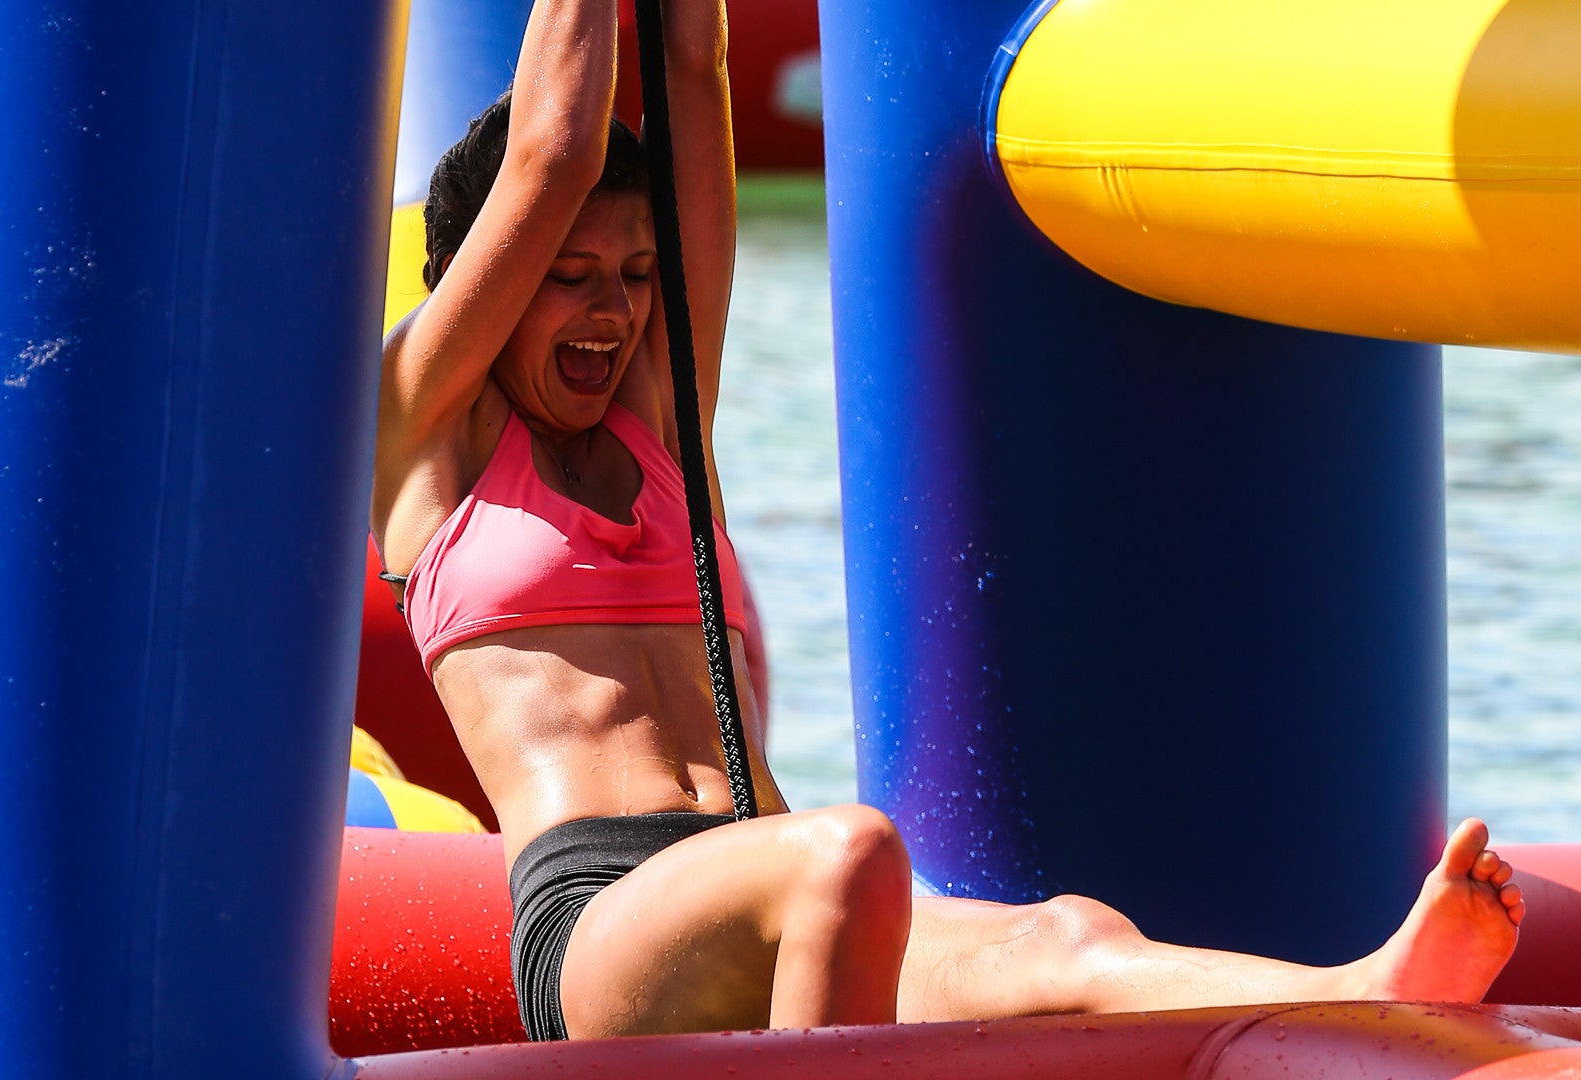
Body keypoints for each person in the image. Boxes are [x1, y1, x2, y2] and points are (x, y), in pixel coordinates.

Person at [369, 0, 1526, 1044]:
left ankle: (1364, 990)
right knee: (851, 849)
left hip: (777, 877)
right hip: (605, 922)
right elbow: (555, 151)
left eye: (633, 274)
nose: (615, 309)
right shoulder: (424, 434)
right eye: (569, 274)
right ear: (482, 279)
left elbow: (690, 65)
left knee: (1065, 936)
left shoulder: (660, 426)